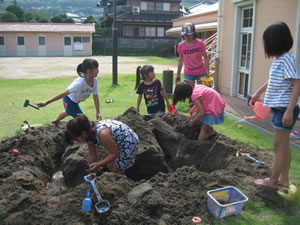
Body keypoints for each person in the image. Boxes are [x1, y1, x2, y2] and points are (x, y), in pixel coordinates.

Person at [250, 22, 300, 188]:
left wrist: (289, 111)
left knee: (278, 146)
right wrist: (258, 93)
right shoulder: (280, 60)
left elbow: (297, 83)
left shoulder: (286, 60)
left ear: (274, 42)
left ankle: (272, 181)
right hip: (282, 109)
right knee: (284, 146)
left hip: (285, 110)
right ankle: (284, 179)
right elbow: (272, 80)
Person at [65, 114, 139, 175]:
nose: (78, 142)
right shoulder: (89, 134)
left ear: (83, 134)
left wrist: (98, 164)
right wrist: (91, 173)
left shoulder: (102, 134)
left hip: (129, 142)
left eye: (77, 139)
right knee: (110, 166)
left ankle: (123, 182)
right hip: (118, 142)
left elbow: (114, 153)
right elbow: (92, 155)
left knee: (116, 170)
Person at [37, 58, 101, 124]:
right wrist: (46, 102)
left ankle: (56, 121)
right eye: (96, 68)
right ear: (89, 71)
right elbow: (64, 94)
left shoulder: (95, 81)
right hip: (69, 101)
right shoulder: (79, 83)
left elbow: (95, 96)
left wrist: (98, 112)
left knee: (68, 112)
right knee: (82, 120)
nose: (98, 70)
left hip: (75, 102)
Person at [176, 22, 210, 86]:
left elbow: (206, 57)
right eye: (185, 35)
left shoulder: (200, 43)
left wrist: (207, 70)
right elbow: (180, 60)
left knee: (202, 91)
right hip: (188, 71)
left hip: (201, 70)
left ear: (194, 34)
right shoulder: (180, 45)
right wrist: (178, 74)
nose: (188, 37)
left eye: (189, 35)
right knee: (189, 91)